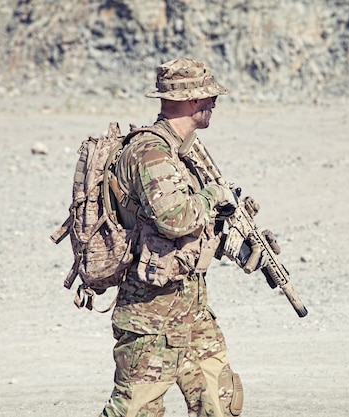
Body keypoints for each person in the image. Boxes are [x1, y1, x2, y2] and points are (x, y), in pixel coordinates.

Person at [99, 58, 243, 417]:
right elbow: (176, 218)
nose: (214, 104)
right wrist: (214, 198)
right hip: (151, 311)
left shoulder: (184, 151)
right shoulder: (150, 152)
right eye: (209, 97)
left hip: (191, 305)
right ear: (192, 100)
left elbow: (193, 226)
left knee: (220, 401)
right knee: (136, 410)